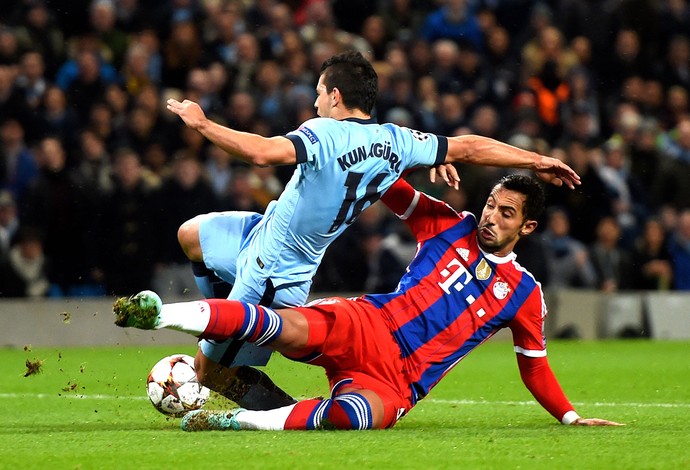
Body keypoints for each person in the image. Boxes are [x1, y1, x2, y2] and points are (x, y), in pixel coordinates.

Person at [164, 50, 581, 412]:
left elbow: (260, 153)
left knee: (208, 373)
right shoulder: (398, 142)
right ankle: (220, 319)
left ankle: (285, 413)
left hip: (276, 270)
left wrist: (202, 124)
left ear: (335, 97)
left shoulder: (323, 131)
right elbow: (468, 147)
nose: (314, 102)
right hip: (263, 230)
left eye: (318, 93)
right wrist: (535, 159)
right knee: (191, 235)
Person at [114, 174, 620, 431]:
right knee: (282, 328)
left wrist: (570, 418)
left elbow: (534, 366)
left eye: (505, 213)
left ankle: (232, 420)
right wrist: (379, 145)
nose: (490, 216)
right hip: (368, 322)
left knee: (352, 419)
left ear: (527, 227)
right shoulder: (448, 224)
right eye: (490, 203)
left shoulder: (526, 294)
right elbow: (387, 183)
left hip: (396, 382)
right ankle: (160, 314)